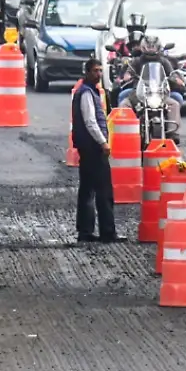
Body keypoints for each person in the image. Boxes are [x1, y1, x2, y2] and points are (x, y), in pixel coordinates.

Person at [71, 58, 124, 243]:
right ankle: (107, 232)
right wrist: (103, 142)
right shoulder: (86, 93)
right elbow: (90, 122)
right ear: (86, 72)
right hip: (93, 148)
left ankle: (85, 231)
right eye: (95, 71)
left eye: (100, 70)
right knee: (103, 191)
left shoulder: (89, 92)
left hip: (87, 148)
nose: (99, 74)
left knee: (86, 190)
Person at [116, 36, 186, 105]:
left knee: (177, 97)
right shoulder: (137, 60)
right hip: (139, 92)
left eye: (153, 47)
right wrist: (127, 75)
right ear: (143, 47)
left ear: (158, 47)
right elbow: (130, 70)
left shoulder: (164, 61)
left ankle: (173, 115)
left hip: (161, 91)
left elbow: (172, 73)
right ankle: (123, 115)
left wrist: (176, 78)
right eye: (148, 47)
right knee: (123, 96)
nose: (151, 49)